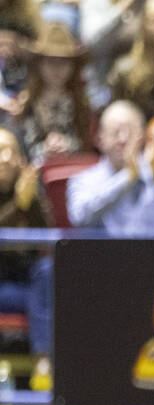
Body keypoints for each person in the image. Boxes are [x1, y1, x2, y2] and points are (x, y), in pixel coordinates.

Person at [67, 99, 154, 234]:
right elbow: (80, 218)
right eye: (115, 132)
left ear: (143, 136)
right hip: (103, 254)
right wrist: (127, 178)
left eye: (130, 132)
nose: (122, 139)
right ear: (100, 139)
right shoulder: (83, 181)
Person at [0, 126, 51, 359]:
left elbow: (48, 234)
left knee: (47, 271)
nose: (7, 158)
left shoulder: (28, 190)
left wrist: (33, 200)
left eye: (12, 151)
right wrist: (18, 205)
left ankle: (43, 361)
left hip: (26, 284)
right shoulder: (21, 198)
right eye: (1, 151)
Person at [14, 22, 92, 163]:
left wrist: (69, 145)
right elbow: (21, 148)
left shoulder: (82, 102)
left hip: (74, 169)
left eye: (63, 62)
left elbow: (88, 144)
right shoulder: (26, 103)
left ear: (73, 66)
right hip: (36, 174)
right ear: (39, 64)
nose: (57, 69)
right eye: (50, 61)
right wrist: (44, 149)